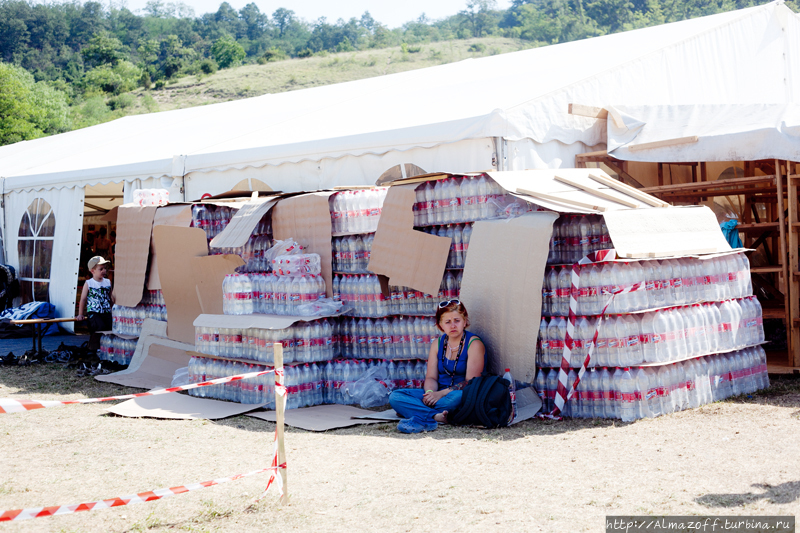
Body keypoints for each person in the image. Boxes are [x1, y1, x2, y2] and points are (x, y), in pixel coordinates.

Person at [389, 299, 485, 433]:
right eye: (447, 322)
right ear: (440, 325)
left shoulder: (474, 344)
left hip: (457, 395)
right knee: (395, 396)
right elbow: (431, 378)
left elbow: (471, 382)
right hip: (437, 393)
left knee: (456, 398)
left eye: (457, 320)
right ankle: (435, 416)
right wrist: (429, 394)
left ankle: (414, 411)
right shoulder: (437, 344)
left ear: (464, 321)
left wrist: (440, 394)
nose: (453, 325)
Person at [76, 256, 115, 352]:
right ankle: (92, 347)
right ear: (92, 271)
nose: (104, 271)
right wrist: (80, 313)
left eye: (105, 268)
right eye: (100, 269)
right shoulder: (89, 283)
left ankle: (105, 348)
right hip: (94, 311)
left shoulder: (107, 282)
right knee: (98, 327)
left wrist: (113, 309)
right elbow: (83, 299)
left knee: (109, 328)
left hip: (106, 311)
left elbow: (110, 297)